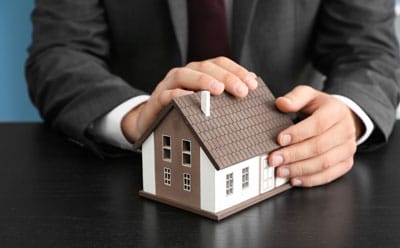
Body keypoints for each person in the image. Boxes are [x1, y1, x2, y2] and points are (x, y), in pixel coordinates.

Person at [26, 0, 400, 187]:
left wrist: (349, 114)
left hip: (292, 166)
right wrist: (134, 116)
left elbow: (370, 48)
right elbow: (61, 51)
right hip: (127, 175)